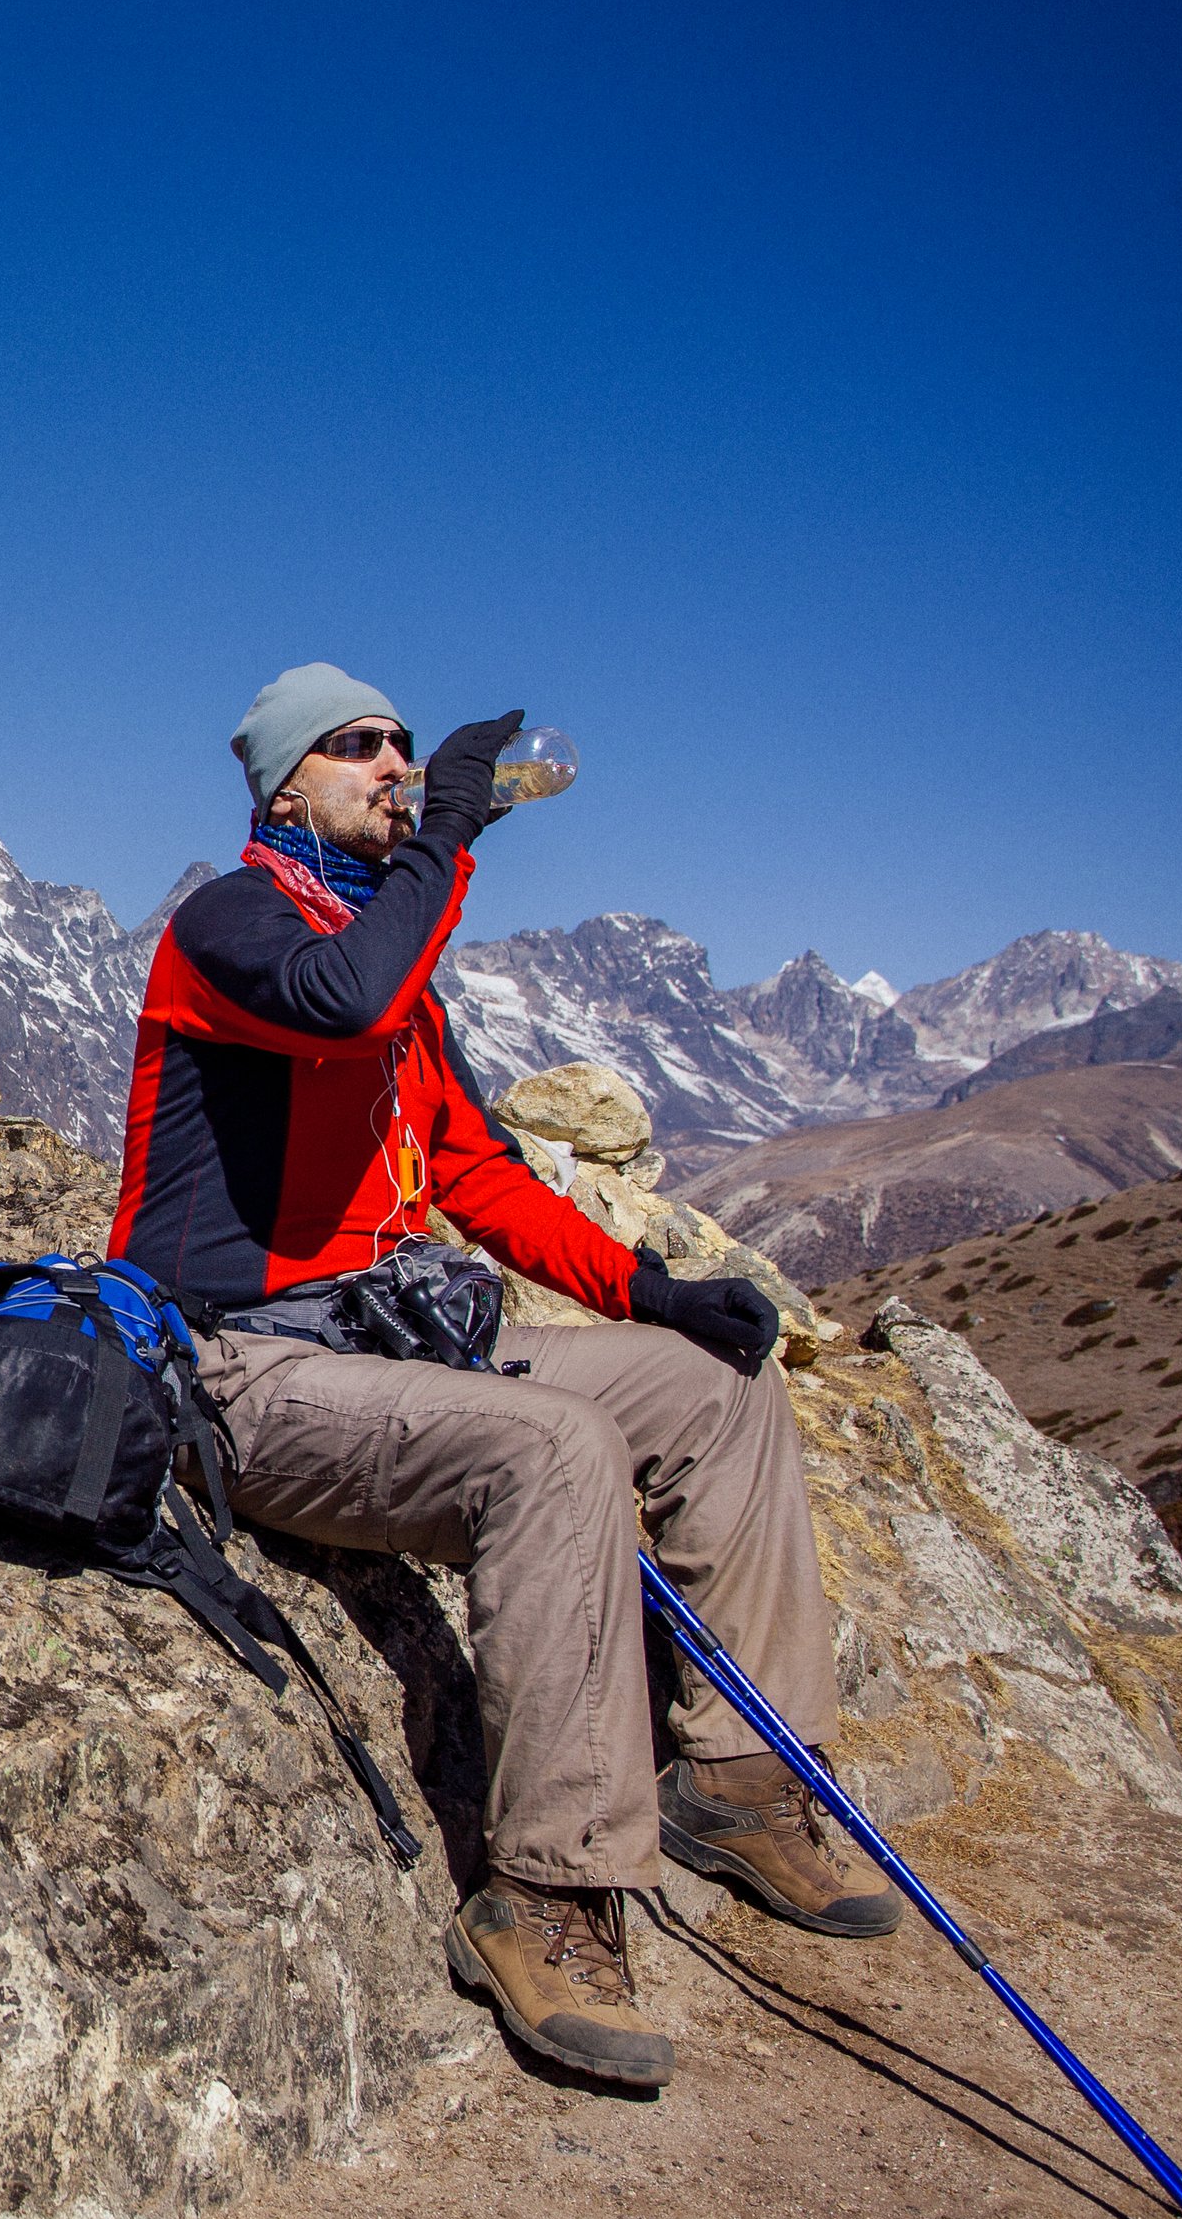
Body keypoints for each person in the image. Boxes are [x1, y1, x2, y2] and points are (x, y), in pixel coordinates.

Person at [106, 661, 898, 2091]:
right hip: (242, 1369)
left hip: (389, 1348)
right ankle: (547, 1895)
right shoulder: (229, 929)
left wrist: (648, 1291)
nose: (395, 765)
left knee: (713, 1394)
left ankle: (737, 1782)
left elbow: (468, 1168)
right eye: (359, 749)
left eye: (407, 748)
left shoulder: (396, 971)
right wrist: (449, 840)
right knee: (553, 1449)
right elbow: (338, 1003)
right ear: (285, 785)